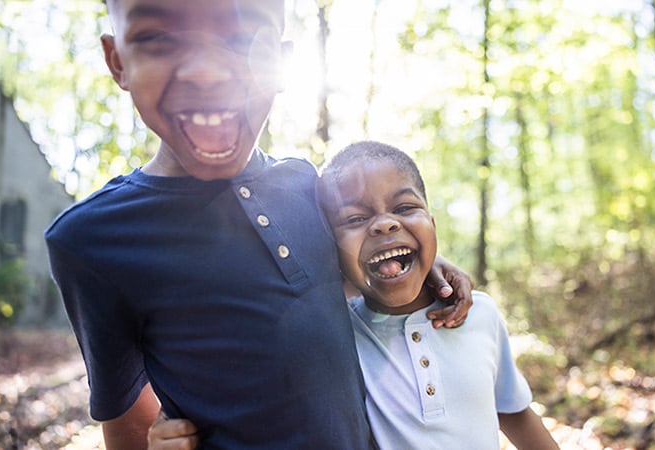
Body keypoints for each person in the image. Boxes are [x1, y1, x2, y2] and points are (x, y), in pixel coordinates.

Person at [44, 1, 472, 449]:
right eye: (158, 38)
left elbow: (354, 276)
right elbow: (127, 428)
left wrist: (429, 263)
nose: (207, 73)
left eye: (242, 38)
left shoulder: (308, 185)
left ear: (283, 63)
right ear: (117, 61)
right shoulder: (91, 240)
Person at [149, 141, 560, 450]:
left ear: (432, 223)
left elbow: (515, 413)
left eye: (403, 208)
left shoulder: (479, 314)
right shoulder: (333, 333)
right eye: (356, 219)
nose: (383, 225)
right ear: (330, 248)